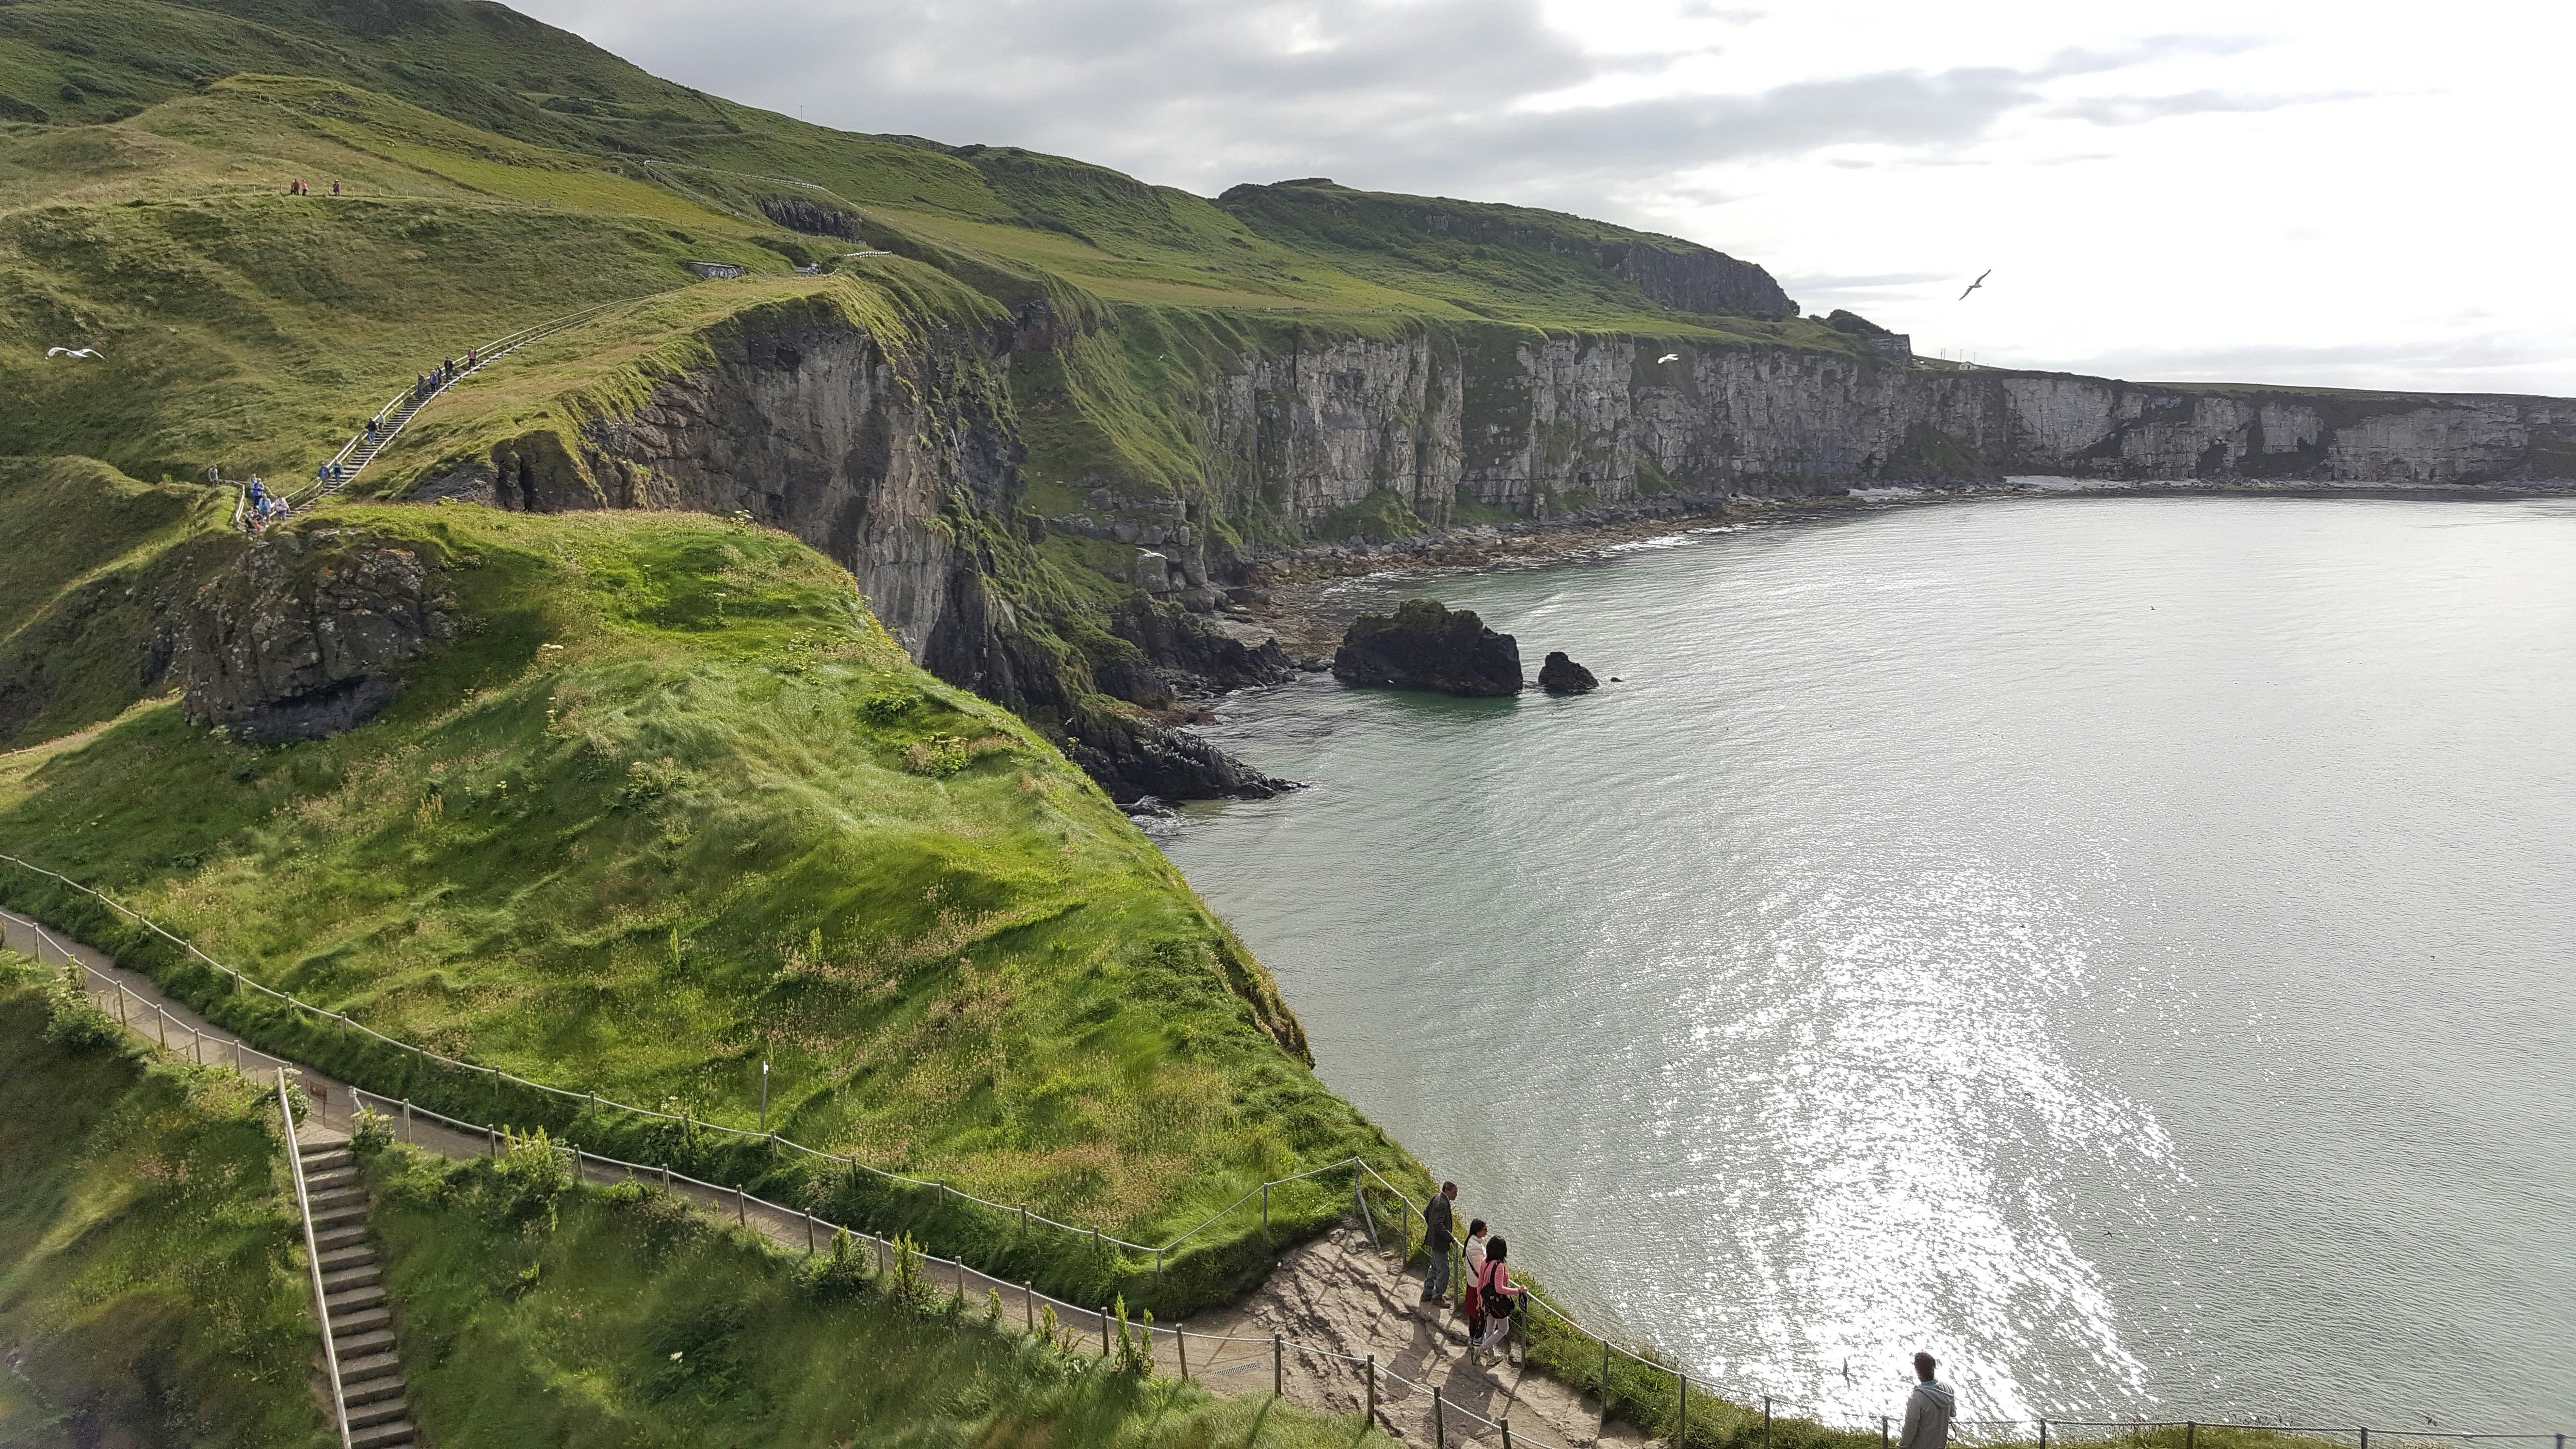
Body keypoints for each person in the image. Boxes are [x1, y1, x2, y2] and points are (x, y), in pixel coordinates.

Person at [1469, 1236, 1522, 1363]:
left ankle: (1491, 1357)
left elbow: (1480, 1284)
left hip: (1486, 1302)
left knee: (1490, 1328)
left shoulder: (1485, 1262)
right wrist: (1518, 1291)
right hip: (1497, 1303)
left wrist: (1480, 1301)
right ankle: (1481, 1349)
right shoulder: (1499, 1266)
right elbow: (1500, 1289)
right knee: (1504, 1330)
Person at [1898, 1353, 1955, 1449]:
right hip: (1940, 1445)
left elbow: (1910, 1428)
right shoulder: (1948, 1389)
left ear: (1918, 1371)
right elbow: (1953, 1413)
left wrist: (1902, 1446)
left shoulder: (1917, 1398)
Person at [1418, 1181, 1458, 1313]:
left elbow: (1426, 1213)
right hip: (1440, 1243)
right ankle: (1438, 1296)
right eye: (1454, 1192)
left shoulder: (1436, 1197)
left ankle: (1427, 1293)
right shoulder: (1443, 1203)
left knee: (1434, 1267)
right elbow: (1438, 1224)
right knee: (1445, 1270)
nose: (1456, 1195)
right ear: (1447, 1190)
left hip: (1433, 1239)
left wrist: (1431, 1230)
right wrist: (1451, 1238)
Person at [1460, 1219, 1491, 1342]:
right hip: (1477, 1284)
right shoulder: (1476, 1248)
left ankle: (1473, 1335)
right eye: (1485, 1229)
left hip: (1472, 1281)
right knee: (1477, 1310)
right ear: (1478, 1231)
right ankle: (1477, 1337)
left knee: (1474, 1309)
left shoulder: (1474, 1243)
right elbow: (1480, 1270)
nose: (1487, 1231)